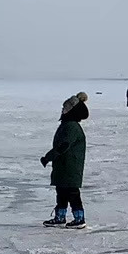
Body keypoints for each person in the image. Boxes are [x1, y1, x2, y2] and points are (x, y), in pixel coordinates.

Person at [41, 92, 89, 228]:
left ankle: (79, 218)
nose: (62, 110)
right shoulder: (67, 124)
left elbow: (63, 146)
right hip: (63, 166)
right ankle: (60, 217)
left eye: (65, 108)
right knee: (61, 192)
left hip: (70, 166)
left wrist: (47, 157)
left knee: (72, 193)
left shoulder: (71, 126)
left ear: (71, 111)